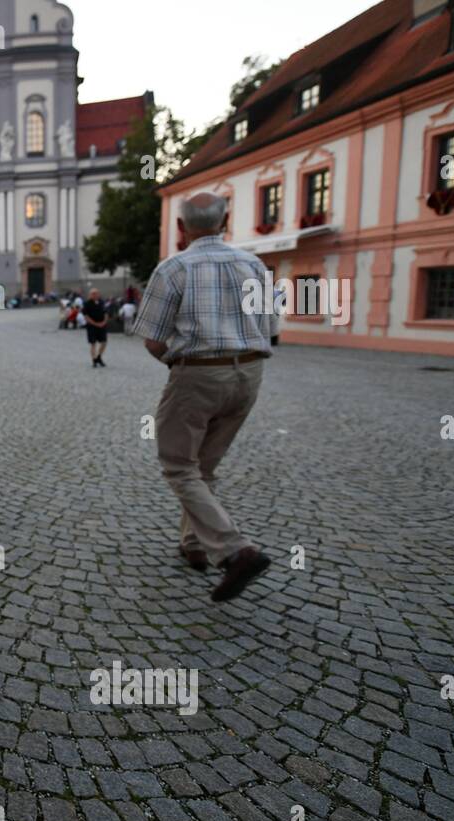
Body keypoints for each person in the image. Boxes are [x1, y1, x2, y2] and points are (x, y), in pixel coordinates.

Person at [130, 192, 278, 603]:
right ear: (225, 221)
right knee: (205, 465)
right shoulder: (253, 265)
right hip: (250, 372)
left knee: (179, 464)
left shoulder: (174, 267)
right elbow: (270, 324)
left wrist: (182, 365)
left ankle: (234, 549)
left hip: (197, 372)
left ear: (180, 227)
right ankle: (194, 545)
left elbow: (154, 341)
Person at [82, 288, 109, 367]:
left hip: (102, 325)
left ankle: (99, 357)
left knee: (104, 342)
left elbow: (106, 313)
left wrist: (104, 322)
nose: (95, 295)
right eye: (93, 294)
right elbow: (86, 316)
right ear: (90, 295)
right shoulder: (87, 303)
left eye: (96, 293)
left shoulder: (102, 302)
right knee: (93, 343)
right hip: (92, 326)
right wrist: (95, 324)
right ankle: (94, 360)